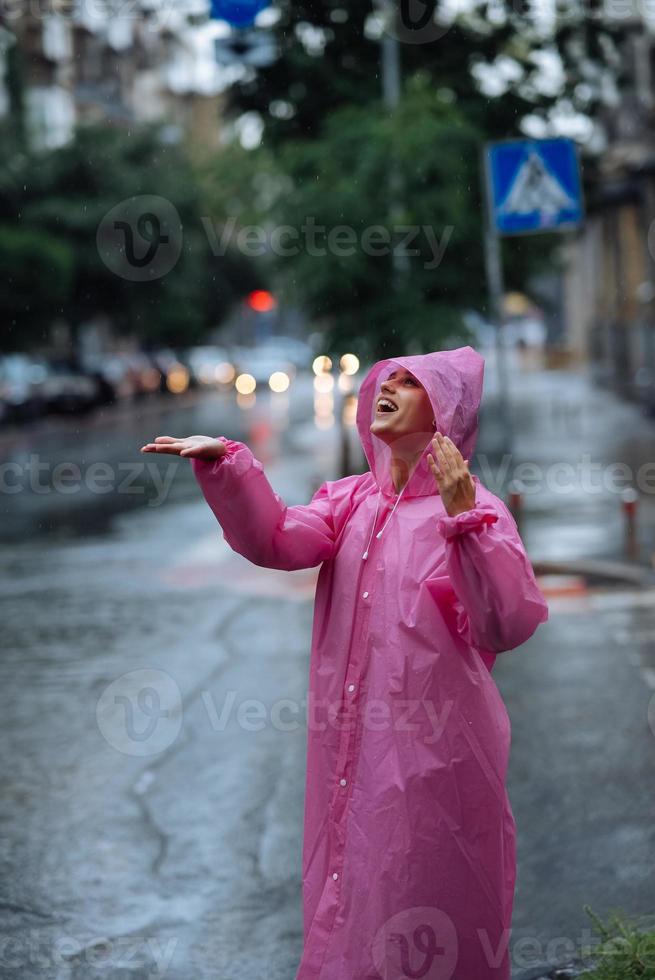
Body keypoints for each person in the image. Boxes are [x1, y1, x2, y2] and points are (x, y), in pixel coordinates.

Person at [141, 346, 549, 980]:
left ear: (445, 412)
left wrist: (464, 517)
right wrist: (227, 463)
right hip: (351, 758)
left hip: (437, 764)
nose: (389, 389)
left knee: (423, 915)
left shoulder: (476, 511)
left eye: (412, 385)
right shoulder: (351, 502)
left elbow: (507, 621)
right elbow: (277, 537)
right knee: (352, 907)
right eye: (387, 380)